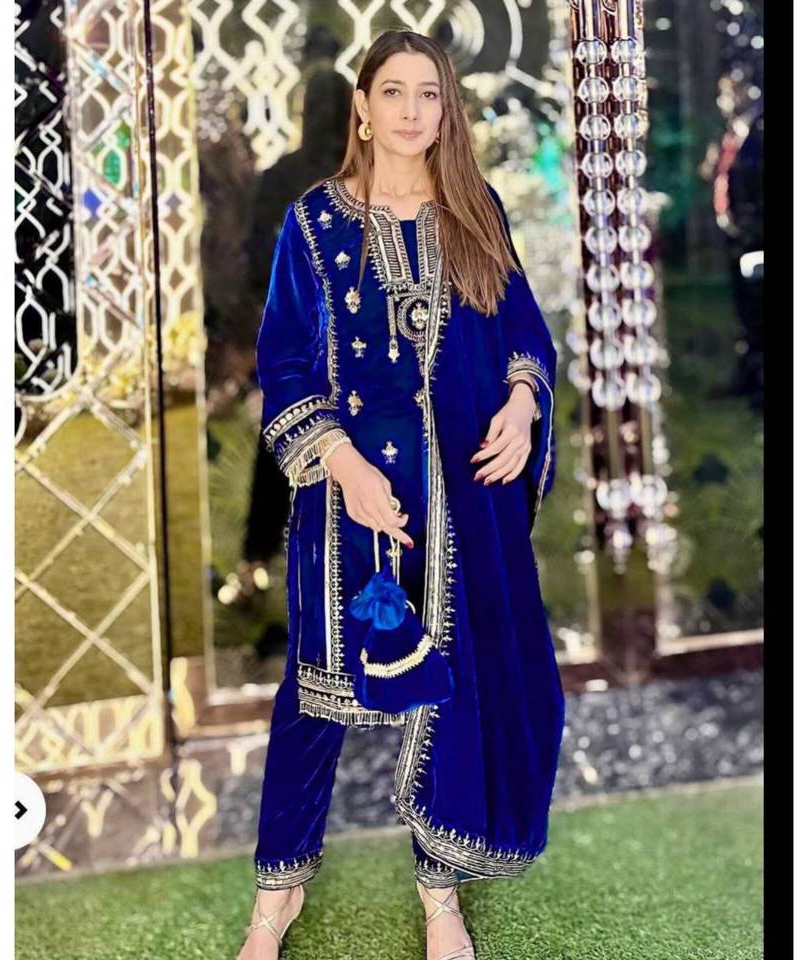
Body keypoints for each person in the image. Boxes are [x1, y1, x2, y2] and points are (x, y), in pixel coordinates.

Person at [237, 29, 566, 960]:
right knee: (316, 700)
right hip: (348, 502)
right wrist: (344, 467)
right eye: (394, 91)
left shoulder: (474, 210)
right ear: (363, 108)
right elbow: (284, 362)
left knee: (450, 690)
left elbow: (524, 330)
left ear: (446, 109)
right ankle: (275, 900)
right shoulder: (314, 223)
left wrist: (522, 403)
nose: (413, 110)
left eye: (430, 93)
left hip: (460, 502)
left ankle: (439, 895)